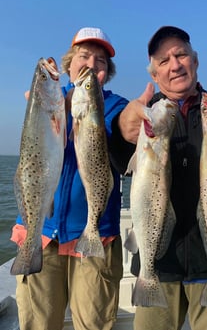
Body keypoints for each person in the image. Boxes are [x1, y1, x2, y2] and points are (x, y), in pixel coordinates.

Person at [109, 26, 207, 330]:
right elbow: (119, 164)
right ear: (154, 75)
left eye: (181, 54)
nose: (175, 64)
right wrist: (120, 133)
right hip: (159, 263)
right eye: (163, 61)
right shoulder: (145, 116)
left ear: (195, 61)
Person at [11, 27, 129, 330]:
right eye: (84, 56)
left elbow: (125, 129)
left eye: (100, 60)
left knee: (93, 323)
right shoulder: (47, 100)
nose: (91, 63)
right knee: (38, 323)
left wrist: (129, 123)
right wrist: (46, 108)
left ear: (107, 72)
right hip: (42, 233)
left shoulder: (115, 107)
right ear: (68, 64)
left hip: (94, 237)